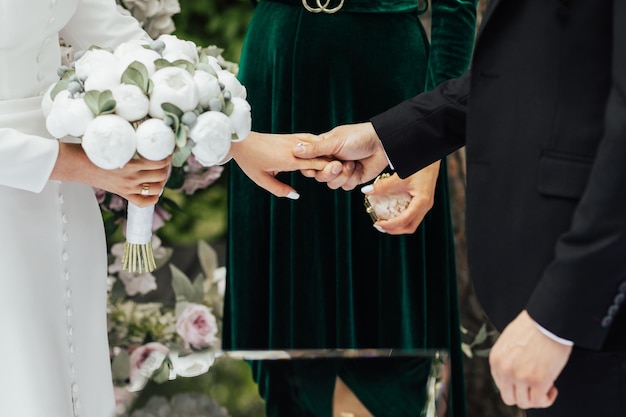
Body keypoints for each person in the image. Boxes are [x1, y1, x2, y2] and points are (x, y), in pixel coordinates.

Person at [293, 1, 626, 416]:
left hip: (596, 308)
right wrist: (386, 139)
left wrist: (559, 317)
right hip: (547, 296)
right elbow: (527, 67)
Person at [0, 2, 325, 416]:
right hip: (22, 187)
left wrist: (234, 138)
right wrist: (82, 166)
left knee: (71, 373)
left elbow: (126, 45)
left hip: (67, 200)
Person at [223, 0, 477, 416]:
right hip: (271, 76)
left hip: (385, 80)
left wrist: (428, 150)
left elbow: (456, 5)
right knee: (284, 322)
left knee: (393, 314)